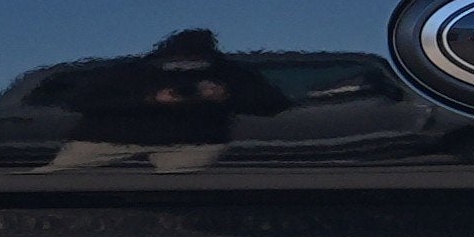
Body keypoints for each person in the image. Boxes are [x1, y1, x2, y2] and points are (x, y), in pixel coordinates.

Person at [39, 27, 289, 172]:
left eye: (195, 61)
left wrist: (227, 95)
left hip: (191, 145)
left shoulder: (229, 73)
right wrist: (148, 99)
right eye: (178, 61)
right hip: (109, 140)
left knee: (180, 196)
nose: (186, 70)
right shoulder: (129, 72)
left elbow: (275, 103)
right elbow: (79, 101)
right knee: (47, 183)